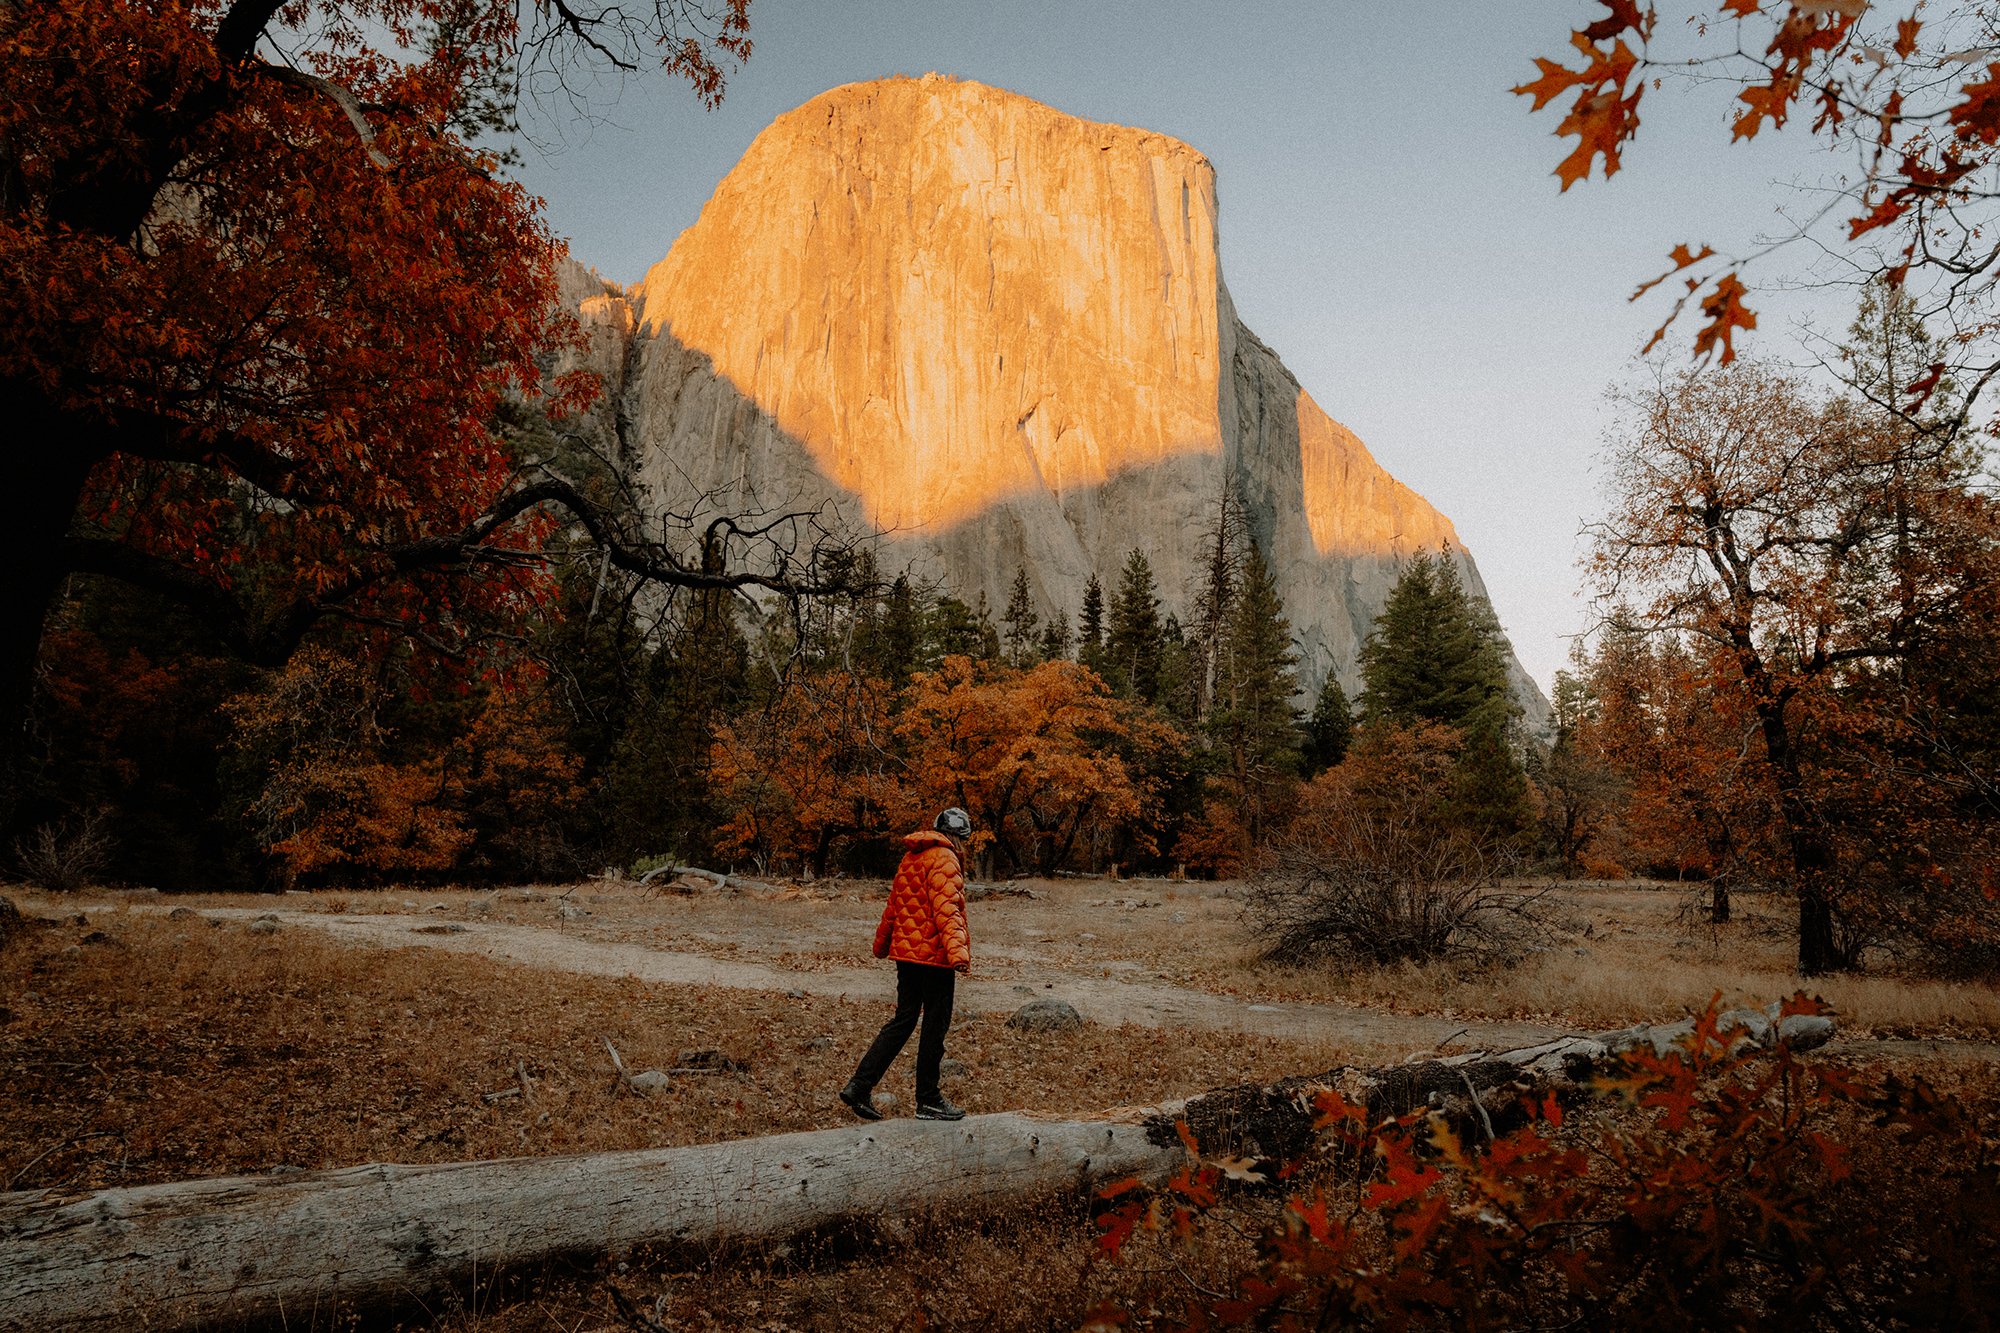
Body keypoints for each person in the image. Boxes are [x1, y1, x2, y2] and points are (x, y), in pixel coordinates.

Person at [839, 807, 973, 1122]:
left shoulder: (911, 856)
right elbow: (947, 909)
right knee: (935, 1025)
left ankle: (859, 1085)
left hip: (906, 955)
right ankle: (928, 1099)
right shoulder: (945, 859)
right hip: (934, 958)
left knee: (903, 1020)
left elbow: (894, 907)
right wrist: (958, 955)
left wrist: (882, 944)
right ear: (958, 835)